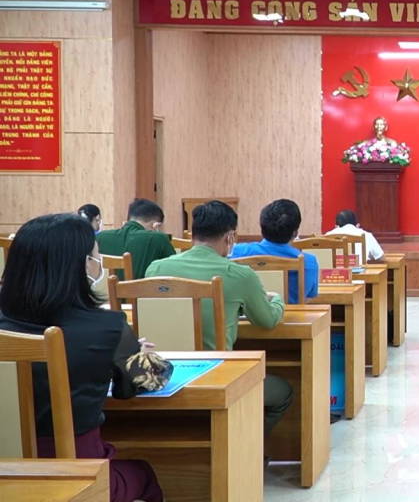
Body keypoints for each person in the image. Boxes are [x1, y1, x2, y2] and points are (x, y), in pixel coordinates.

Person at [0, 214, 172, 502]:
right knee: (142, 472)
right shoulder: (108, 329)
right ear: (81, 266)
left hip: (5, 473)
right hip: (78, 474)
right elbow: (150, 379)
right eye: (95, 255)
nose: (98, 261)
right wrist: (131, 350)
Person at [146, 201, 293, 448]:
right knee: (282, 392)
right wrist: (277, 299)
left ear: (193, 234)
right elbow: (267, 320)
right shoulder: (239, 275)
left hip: (160, 375)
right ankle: (243, 452)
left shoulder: (157, 269)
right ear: (230, 237)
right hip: (213, 375)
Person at [229, 199, 319, 304]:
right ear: (295, 233)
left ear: (262, 229)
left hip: (247, 314)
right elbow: (307, 298)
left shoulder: (235, 252)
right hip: (291, 314)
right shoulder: (309, 262)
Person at [96, 198, 174, 279]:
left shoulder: (99, 237)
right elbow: (174, 269)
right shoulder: (158, 239)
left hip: (105, 287)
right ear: (156, 226)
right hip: (142, 287)